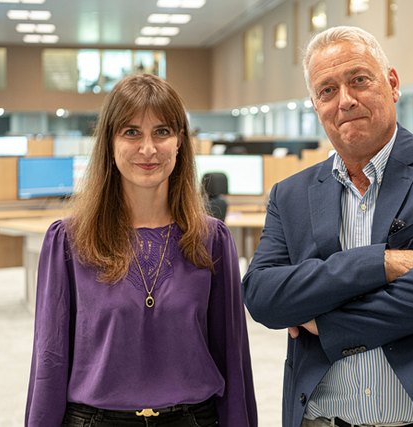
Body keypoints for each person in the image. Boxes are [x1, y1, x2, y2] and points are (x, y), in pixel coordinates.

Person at [241, 26, 413, 427]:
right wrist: (380, 264)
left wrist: (323, 321)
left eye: (358, 80)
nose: (346, 100)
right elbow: (262, 295)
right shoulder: (290, 195)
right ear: (316, 105)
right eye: (327, 90)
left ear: (391, 83)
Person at [25, 74, 258, 427]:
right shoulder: (68, 242)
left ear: (180, 142)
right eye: (131, 132)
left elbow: (233, 358)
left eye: (162, 132)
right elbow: (50, 362)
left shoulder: (212, 241)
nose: (148, 149)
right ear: (110, 142)